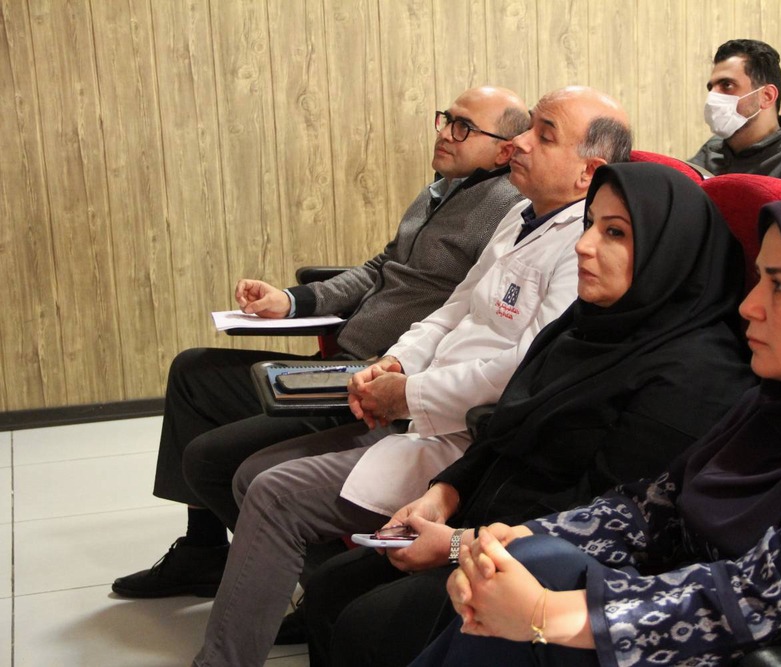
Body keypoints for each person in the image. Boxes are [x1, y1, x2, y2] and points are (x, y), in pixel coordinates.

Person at [415, 192, 781, 667]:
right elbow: (652, 509)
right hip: (698, 629)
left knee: (538, 587)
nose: (750, 306)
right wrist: (515, 537)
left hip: (779, 656)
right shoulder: (774, 406)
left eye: (780, 287)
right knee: (527, 562)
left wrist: (546, 615)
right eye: (758, 280)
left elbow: (759, 602)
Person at [188, 86, 634, 667]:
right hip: (420, 407)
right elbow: (452, 310)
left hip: (464, 436)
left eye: (542, 135)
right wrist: (394, 364)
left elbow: (527, 367)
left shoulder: (584, 248)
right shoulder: (522, 216)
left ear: (587, 172)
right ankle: (309, 595)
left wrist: (409, 395)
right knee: (250, 474)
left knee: (273, 493)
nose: (520, 143)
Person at [300, 162, 757, 667]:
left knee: (366, 627)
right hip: (484, 527)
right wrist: (442, 495)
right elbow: (502, 427)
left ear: (669, 251)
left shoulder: (697, 376)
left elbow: (609, 517)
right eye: (589, 225)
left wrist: (457, 546)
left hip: (548, 563)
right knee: (328, 589)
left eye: (615, 234)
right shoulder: (584, 324)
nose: (584, 245)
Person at [111, 86, 530, 600]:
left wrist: (397, 370)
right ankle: (204, 552)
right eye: (445, 119)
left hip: (376, 376)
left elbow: (469, 315)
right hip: (341, 358)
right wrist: (292, 301)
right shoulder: (442, 188)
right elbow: (382, 267)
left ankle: (329, 586)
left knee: (209, 459)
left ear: (506, 150)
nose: (445, 133)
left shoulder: (508, 209)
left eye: (463, 127)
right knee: (193, 372)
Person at [689, 39, 781, 190]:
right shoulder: (714, 147)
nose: (712, 97)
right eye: (711, 88)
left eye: (727, 85)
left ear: (767, 96)